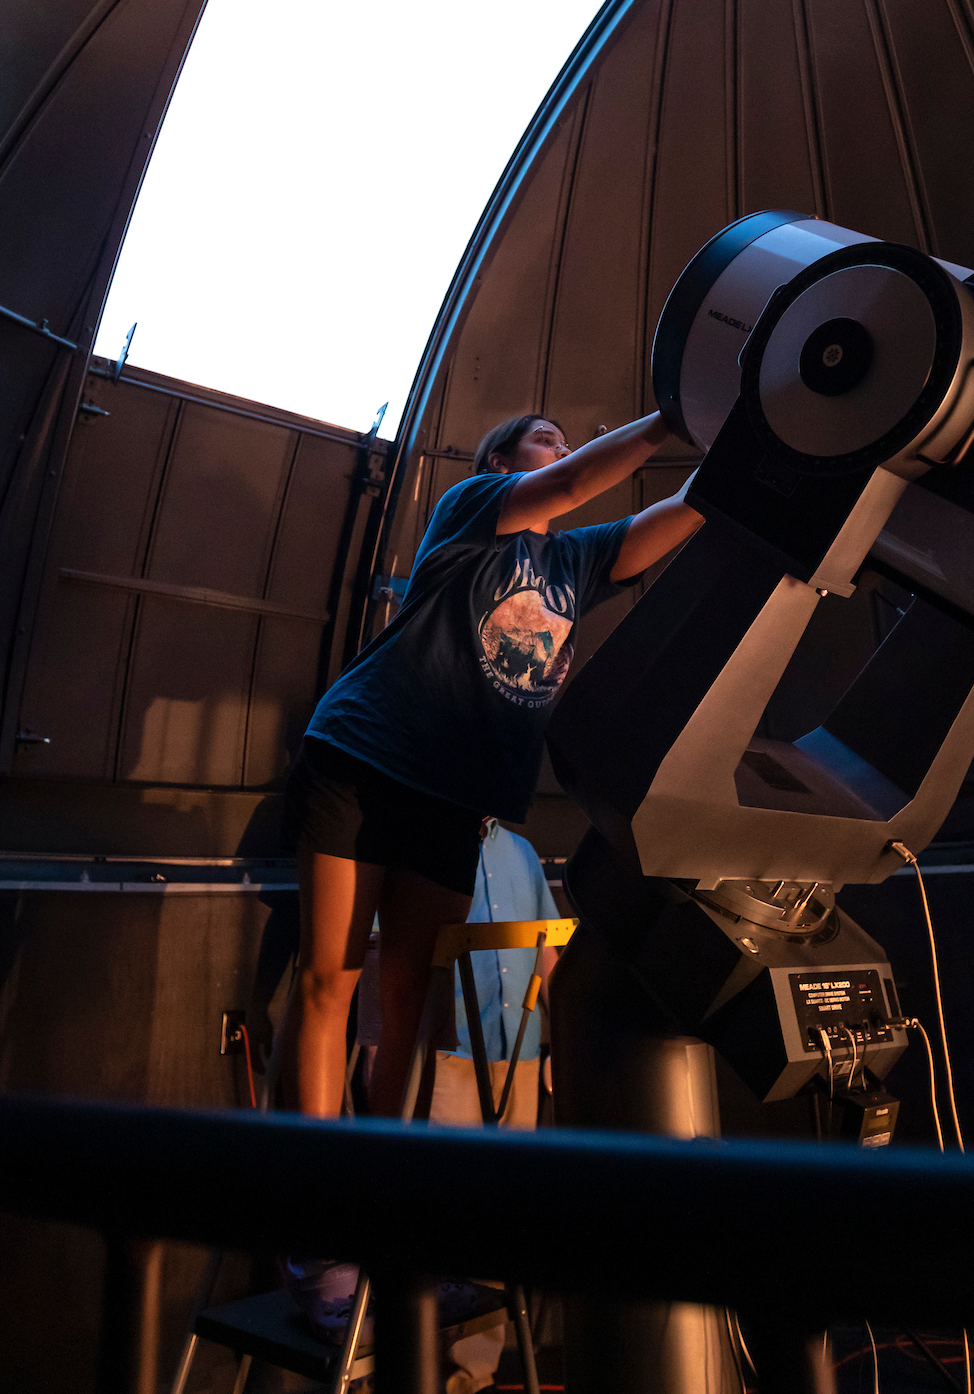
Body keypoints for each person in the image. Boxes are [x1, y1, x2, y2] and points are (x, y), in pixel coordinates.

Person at [277, 411, 700, 1334]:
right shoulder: (474, 508)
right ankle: (317, 1232)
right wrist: (675, 412)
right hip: (362, 755)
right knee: (328, 983)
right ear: (502, 462)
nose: (556, 444)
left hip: (451, 794)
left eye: (560, 436)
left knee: (408, 1012)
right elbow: (573, 486)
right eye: (539, 435)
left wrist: (750, 448)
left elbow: (676, 514)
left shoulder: (576, 563)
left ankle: (383, 1224)